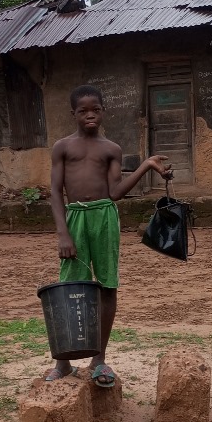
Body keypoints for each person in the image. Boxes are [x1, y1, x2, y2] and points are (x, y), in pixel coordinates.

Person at [46, 84, 173, 385]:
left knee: (107, 286)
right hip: (75, 217)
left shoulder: (111, 149)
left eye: (95, 110)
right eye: (83, 111)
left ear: (103, 111)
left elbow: (115, 192)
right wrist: (63, 234)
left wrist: (145, 166)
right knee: (70, 288)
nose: (90, 115)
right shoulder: (63, 147)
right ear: (73, 114)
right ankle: (63, 362)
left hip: (105, 218)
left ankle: (99, 361)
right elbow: (54, 192)